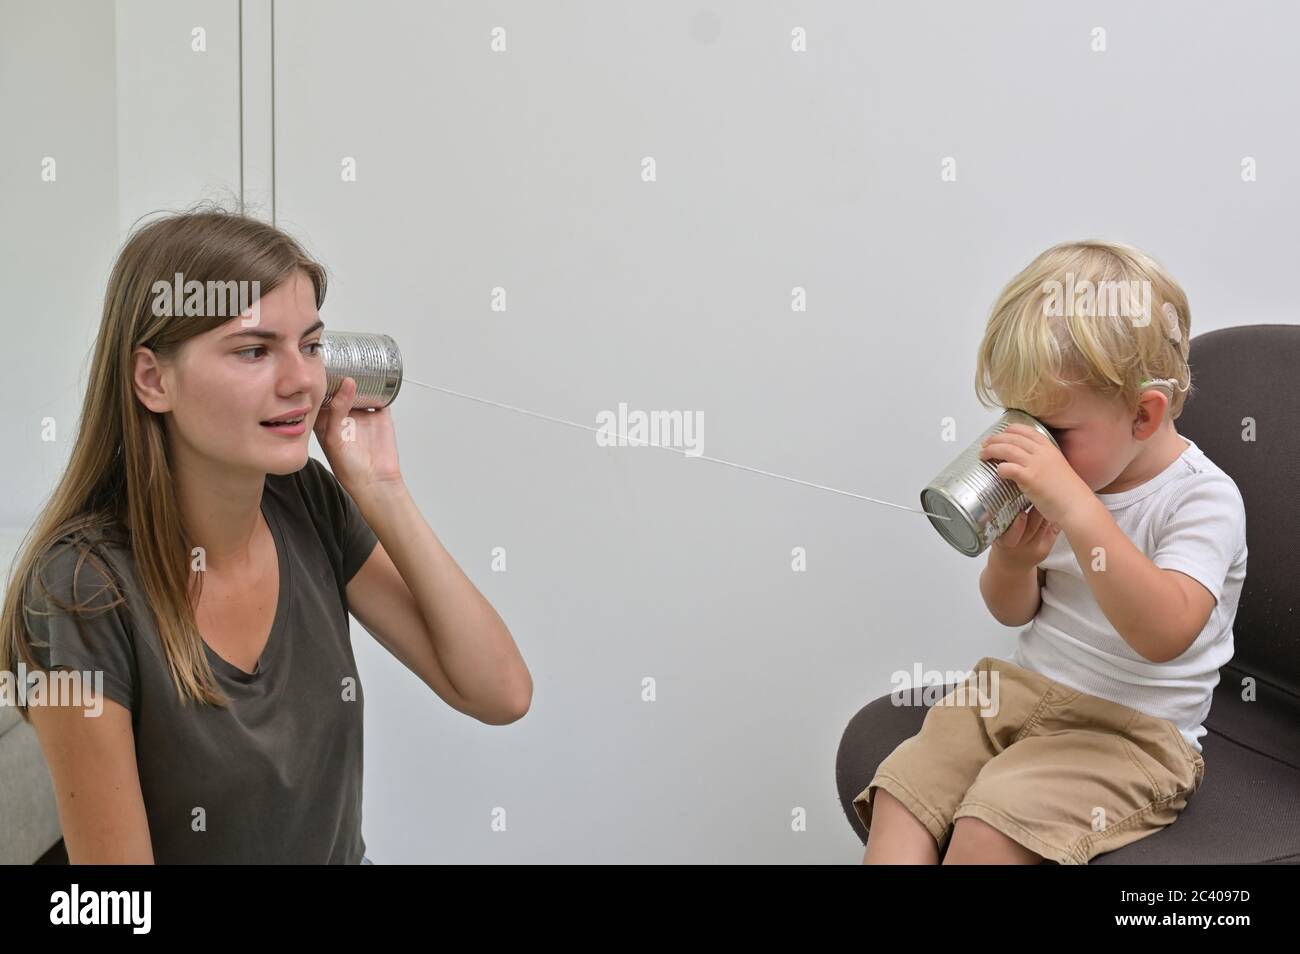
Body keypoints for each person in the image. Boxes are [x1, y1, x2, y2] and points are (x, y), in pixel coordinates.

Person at [0, 208, 532, 863]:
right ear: (152, 379)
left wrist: (383, 490)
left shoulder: (309, 501)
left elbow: (499, 693)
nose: (300, 382)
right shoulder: (80, 590)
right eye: (255, 350)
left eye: (310, 345)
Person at [855, 240, 1247, 864]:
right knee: (907, 788)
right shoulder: (1070, 481)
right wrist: (1011, 562)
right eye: (1018, 418)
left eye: (1055, 432)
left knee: (990, 827)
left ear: (1143, 417)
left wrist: (1078, 509)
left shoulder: (1201, 501)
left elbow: (1164, 632)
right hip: (1020, 691)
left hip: (1130, 734)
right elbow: (1014, 613)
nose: (1033, 448)